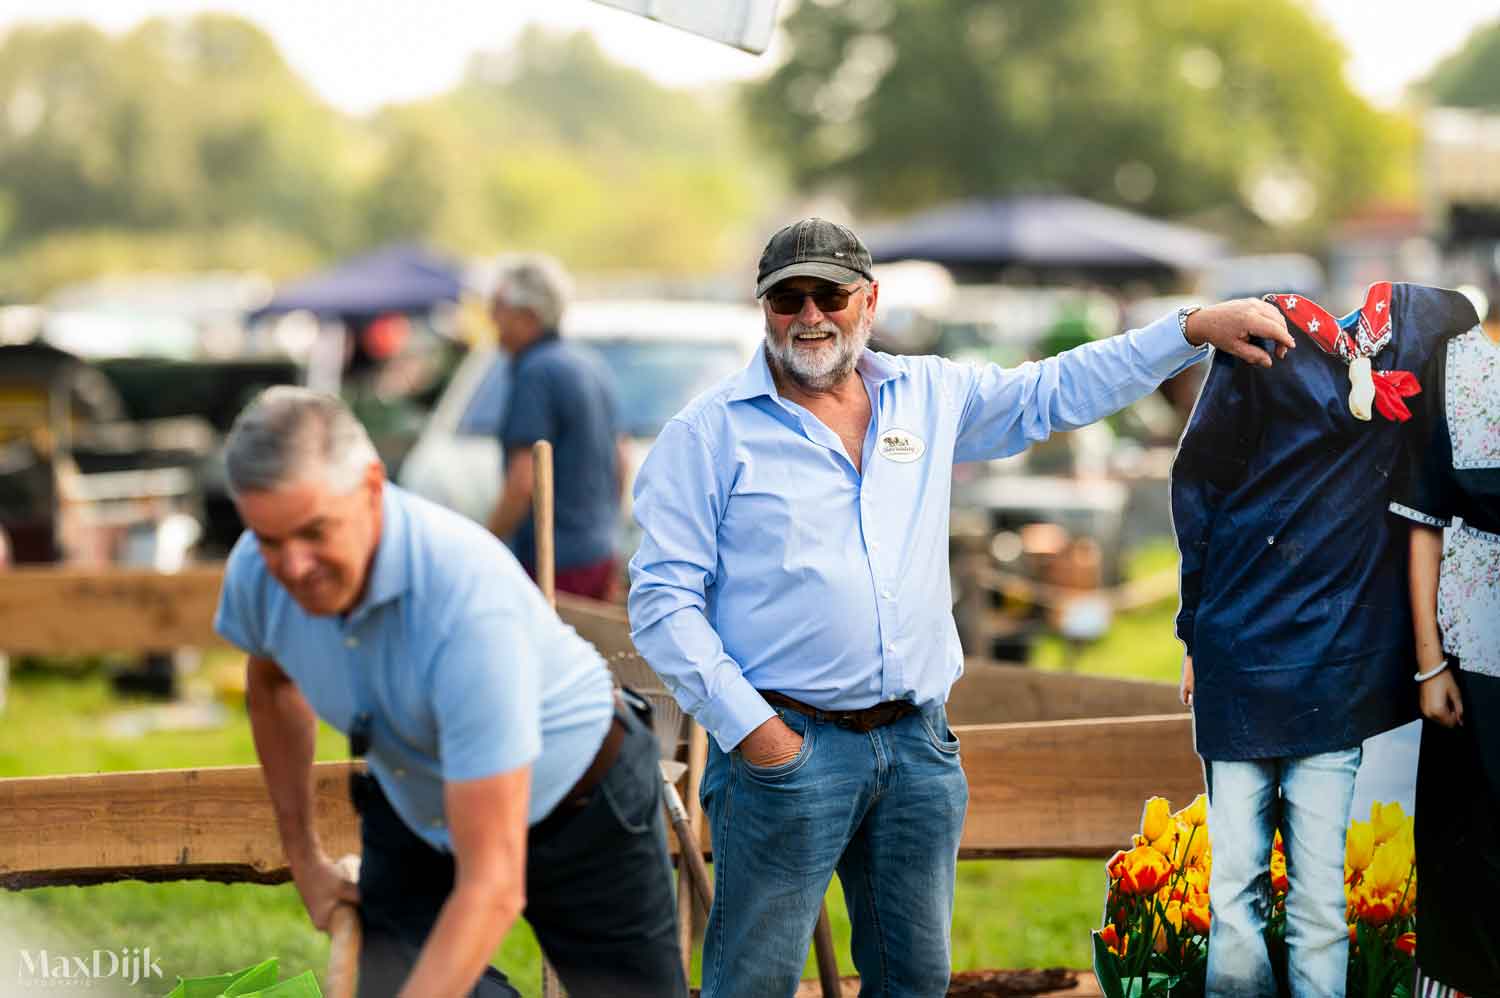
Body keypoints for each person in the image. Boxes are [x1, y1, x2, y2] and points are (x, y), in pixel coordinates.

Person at [628, 216, 1294, 997]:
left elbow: (1057, 389)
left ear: (868, 301)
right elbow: (662, 602)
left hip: (915, 749)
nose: (810, 315)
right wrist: (759, 733)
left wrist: (1188, 329)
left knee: (916, 982)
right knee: (753, 984)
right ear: (764, 310)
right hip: (787, 751)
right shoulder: (707, 434)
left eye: (830, 294)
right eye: (788, 299)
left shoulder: (928, 395)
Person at [213, 387, 685, 998]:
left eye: (314, 532)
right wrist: (304, 858)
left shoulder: (462, 602)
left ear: (372, 487)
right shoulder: (259, 570)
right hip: (414, 801)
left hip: (581, 804)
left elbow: (492, 884)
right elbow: (272, 682)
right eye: (270, 540)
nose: (292, 566)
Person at [1173, 282, 1478, 998]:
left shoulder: (1352, 342)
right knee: (1273, 894)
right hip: (1255, 663)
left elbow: (1197, 487)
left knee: (1270, 893)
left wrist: (1195, 629)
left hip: (1308, 667)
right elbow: (1198, 489)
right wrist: (1193, 631)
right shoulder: (1268, 353)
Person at [1390, 313, 1500, 997]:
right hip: (1473, 635)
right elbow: (1424, 523)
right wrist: (1430, 665)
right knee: (1475, 836)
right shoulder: (1453, 364)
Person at [485, 255, 628, 600]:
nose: (493, 319)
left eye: (500, 308)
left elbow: (523, 482)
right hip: (599, 555)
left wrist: (482, 543)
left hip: (555, 566)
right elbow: (621, 460)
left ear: (528, 316)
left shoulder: (535, 372)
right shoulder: (588, 363)